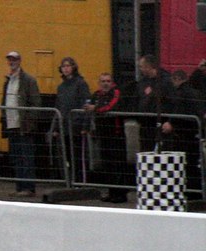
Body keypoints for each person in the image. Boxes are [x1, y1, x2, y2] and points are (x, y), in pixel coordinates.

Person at [0, 50, 41, 198]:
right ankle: (20, 187)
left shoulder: (28, 80)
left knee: (26, 157)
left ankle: (28, 188)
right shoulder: (8, 81)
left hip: (23, 125)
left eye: (14, 60)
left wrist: (29, 121)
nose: (12, 62)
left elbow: (36, 103)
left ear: (20, 61)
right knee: (16, 157)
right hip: (11, 124)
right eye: (10, 60)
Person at [83, 73, 128, 203]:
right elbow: (87, 106)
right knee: (107, 164)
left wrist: (95, 108)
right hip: (103, 134)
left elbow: (111, 106)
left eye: (108, 81)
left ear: (112, 82)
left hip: (116, 134)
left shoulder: (116, 92)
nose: (105, 83)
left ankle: (120, 194)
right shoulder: (97, 94)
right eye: (103, 81)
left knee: (117, 164)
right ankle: (111, 192)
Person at [54, 57, 91, 174]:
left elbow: (86, 104)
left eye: (68, 66)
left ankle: (79, 182)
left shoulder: (81, 83)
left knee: (78, 156)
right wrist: (55, 128)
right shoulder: (61, 87)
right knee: (67, 156)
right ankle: (69, 180)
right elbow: (58, 107)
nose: (65, 69)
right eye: (63, 66)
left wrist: (85, 125)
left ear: (73, 67)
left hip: (76, 126)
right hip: (64, 126)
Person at [170, 69, 205, 189]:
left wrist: (171, 123)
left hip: (184, 133)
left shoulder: (181, 93)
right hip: (197, 131)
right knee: (195, 161)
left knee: (185, 162)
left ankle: (189, 189)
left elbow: (178, 111)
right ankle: (197, 187)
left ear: (177, 79)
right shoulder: (196, 92)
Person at [135, 54, 176, 152]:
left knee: (163, 153)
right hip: (146, 124)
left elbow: (174, 102)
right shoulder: (142, 82)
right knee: (146, 151)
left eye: (141, 66)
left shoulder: (166, 81)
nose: (140, 69)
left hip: (162, 123)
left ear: (148, 66)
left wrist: (171, 121)